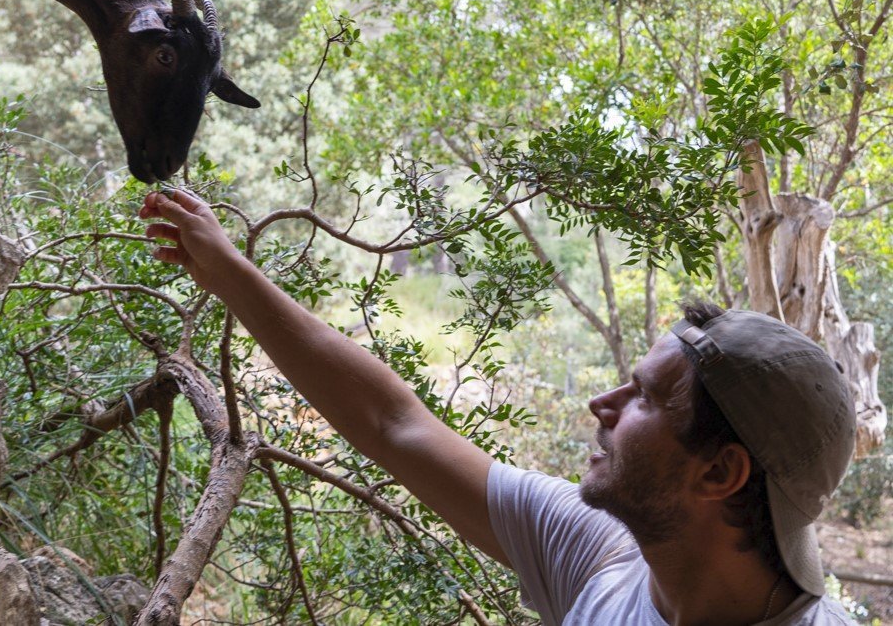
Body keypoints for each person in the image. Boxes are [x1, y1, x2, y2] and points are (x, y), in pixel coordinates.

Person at [140, 188, 858, 625]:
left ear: (722, 471)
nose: (601, 402)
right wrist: (228, 271)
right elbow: (394, 423)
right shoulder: (604, 556)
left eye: (642, 397)